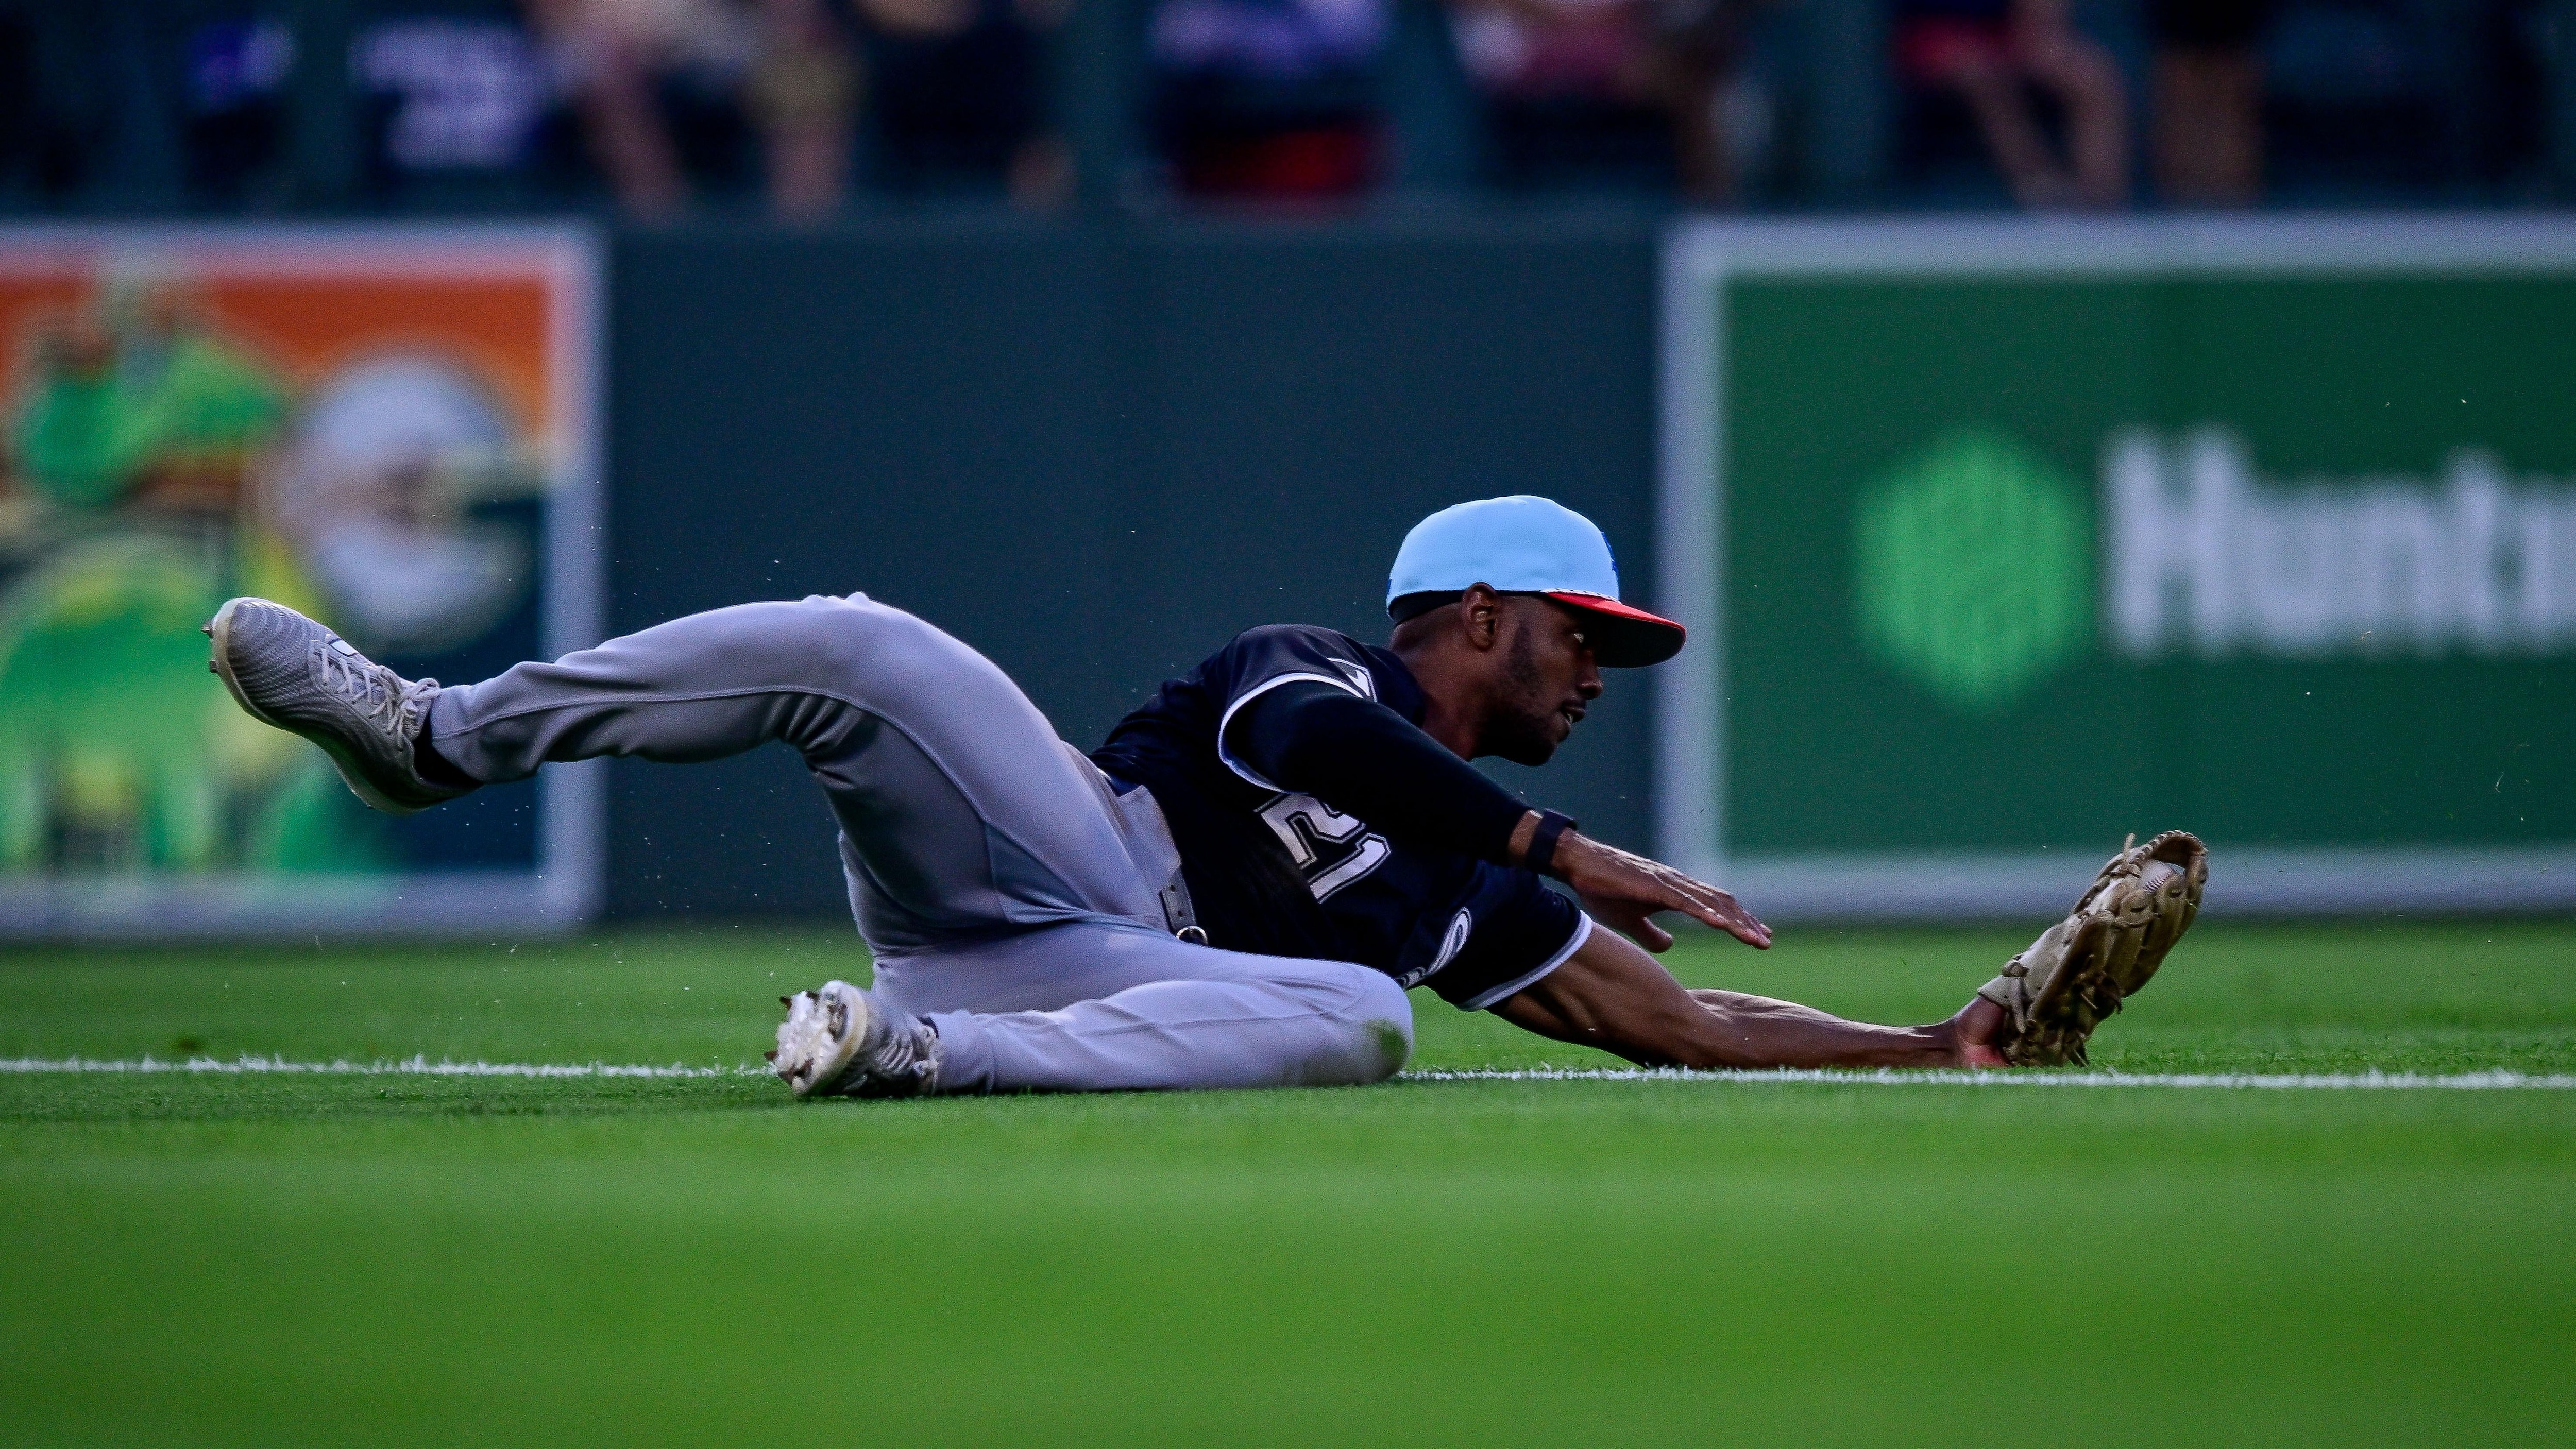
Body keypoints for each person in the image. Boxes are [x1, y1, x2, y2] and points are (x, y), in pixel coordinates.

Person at [202, 495, 2204, 1097]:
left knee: (1349, 1016)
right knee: (862, 639)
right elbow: (1310, 757)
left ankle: (904, 1061)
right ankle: (442, 733)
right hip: (1045, 853)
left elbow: (1674, 1019)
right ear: (1473, 611)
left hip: (1062, 989)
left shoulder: (1463, 897)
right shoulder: (1308, 668)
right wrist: (1541, 838)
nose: (1599, 672)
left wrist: (1935, 1040)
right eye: (1580, 634)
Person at [1894, 0, 2128, 209]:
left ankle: (2100, 207)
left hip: (2011, 32)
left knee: (2089, 76)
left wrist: (2041, 32)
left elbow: (2042, 20)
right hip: (1937, 34)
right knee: (1982, 75)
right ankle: (2045, 194)